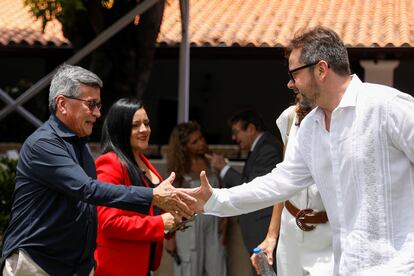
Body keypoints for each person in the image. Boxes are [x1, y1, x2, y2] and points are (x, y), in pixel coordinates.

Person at [182, 26, 414, 275]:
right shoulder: (310, 129)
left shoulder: (388, 108)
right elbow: (277, 184)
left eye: (295, 74)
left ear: (321, 69)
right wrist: (215, 200)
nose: (291, 83)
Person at [1, 64, 195, 276]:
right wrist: (152, 196)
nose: (98, 113)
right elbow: (88, 190)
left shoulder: (79, 144)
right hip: (36, 265)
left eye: (99, 105)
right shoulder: (43, 144)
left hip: (72, 267)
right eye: (91, 104)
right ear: (62, 104)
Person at [252, 94, 333, 276]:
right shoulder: (289, 118)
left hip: (329, 233)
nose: (290, 85)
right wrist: (272, 236)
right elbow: (284, 180)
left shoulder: (343, 119)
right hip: (290, 231)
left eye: (295, 76)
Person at [93, 98, 176, 275]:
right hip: (118, 268)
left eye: (146, 123)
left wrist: (176, 217)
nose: (144, 130)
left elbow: (153, 213)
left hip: (145, 265)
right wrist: (160, 223)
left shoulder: (144, 162)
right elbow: (109, 223)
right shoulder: (110, 163)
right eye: (135, 125)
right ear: (120, 128)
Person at [206, 109, 283, 274]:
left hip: (263, 229)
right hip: (256, 229)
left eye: (236, 132)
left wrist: (224, 168)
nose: (234, 138)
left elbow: (253, 188)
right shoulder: (259, 148)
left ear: (251, 129)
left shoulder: (268, 149)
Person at [165, 121, 227, 276]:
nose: (201, 143)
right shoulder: (179, 171)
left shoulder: (212, 163)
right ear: (185, 147)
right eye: (195, 142)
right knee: (189, 269)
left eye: (201, 138)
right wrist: (170, 236)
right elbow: (171, 205)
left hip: (213, 224)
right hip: (189, 227)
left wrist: (225, 223)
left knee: (217, 268)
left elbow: (224, 193)